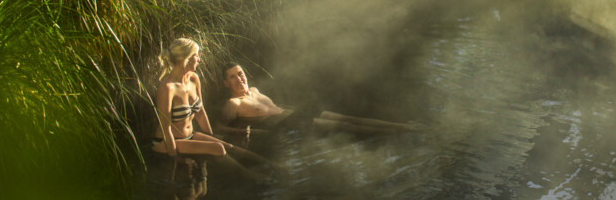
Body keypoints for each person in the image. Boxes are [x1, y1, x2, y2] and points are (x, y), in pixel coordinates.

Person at [151, 39, 274, 177]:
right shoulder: (168, 88)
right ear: (184, 58)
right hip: (167, 141)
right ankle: (252, 176)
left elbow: (200, 113)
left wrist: (210, 136)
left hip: (190, 136)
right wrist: (174, 160)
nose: (199, 59)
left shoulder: (193, 79)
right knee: (218, 148)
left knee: (229, 146)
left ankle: (274, 166)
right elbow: (165, 128)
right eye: (196, 55)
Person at [217, 63, 420, 136]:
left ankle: (402, 126)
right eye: (233, 76)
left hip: (295, 113)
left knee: (348, 118)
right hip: (289, 123)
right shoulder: (233, 104)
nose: (239, 79)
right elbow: (220, 128)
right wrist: (256, 132)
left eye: (240, 73)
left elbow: (277, 106)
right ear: (226, 83)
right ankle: (396, 132)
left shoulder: (254, 89)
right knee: (344, 126)